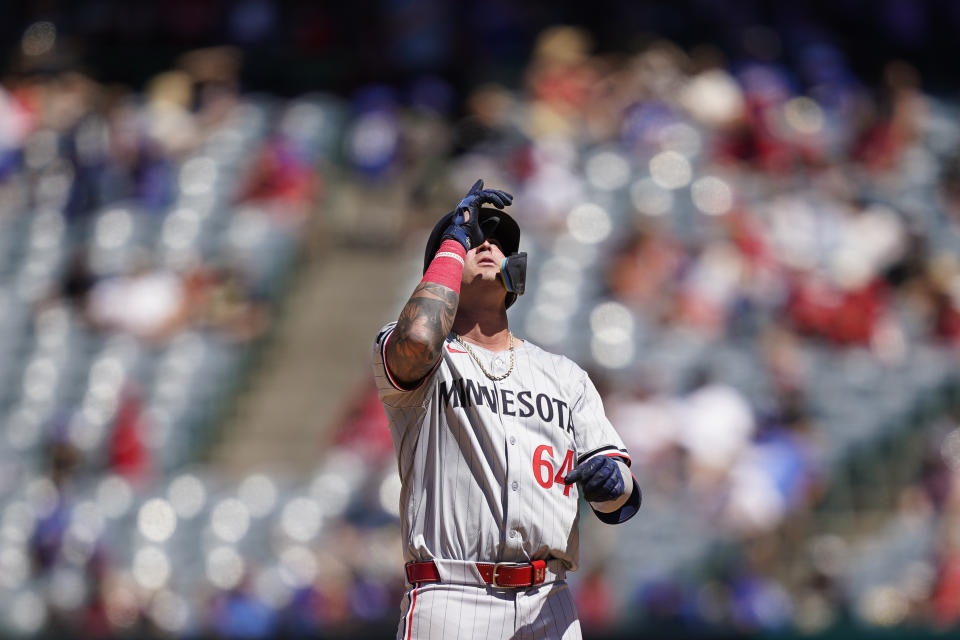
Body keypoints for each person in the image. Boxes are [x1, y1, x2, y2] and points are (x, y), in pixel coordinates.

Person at [372, 180, 641, 639]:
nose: (487, 243)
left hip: (548, 601)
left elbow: (622, 503)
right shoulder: (424, 357)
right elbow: (417, 338)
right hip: (450, 595)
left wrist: (611, 484)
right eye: (473, 239)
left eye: (498, 241)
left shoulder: (563, 375)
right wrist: (452, 242)